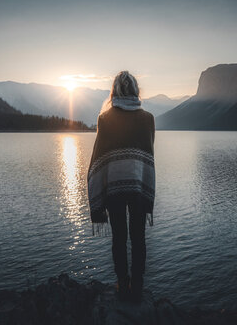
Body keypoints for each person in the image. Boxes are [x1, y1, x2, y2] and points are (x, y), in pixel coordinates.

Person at [87, 70, 155, 302]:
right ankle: (137, 286)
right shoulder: (148, 119)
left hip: (114, 187)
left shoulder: (105, 119)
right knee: (138, 237)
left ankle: (122, 285)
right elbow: (148, 152)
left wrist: (97, 187)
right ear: (136, 90)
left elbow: (99, 157)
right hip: (138, 185)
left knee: (119, 236)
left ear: (114, 91)